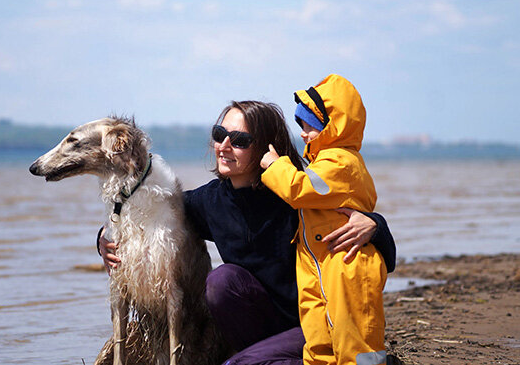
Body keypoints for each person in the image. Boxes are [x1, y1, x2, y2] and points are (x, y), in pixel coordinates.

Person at [99, 100, 396, 365]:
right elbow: (151, 212)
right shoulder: (210, 201)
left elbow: (373, 253)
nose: (224, 146)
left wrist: (375, 226)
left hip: (317, 324)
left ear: (266, 148)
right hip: (261, 325)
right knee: (222, 280)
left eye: (239, 140)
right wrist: (105, 238)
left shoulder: (295, 195)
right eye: (219, 134)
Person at [260, 74, 387, 365]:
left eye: (310, 127)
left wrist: (274, 164)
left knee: (354, 335)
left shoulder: (341, 162)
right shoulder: (324, 161)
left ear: (333, 126)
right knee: (318, 333)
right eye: (301, 126)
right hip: (319, 262)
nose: (303, 134)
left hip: (348, 264)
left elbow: (299, 189)